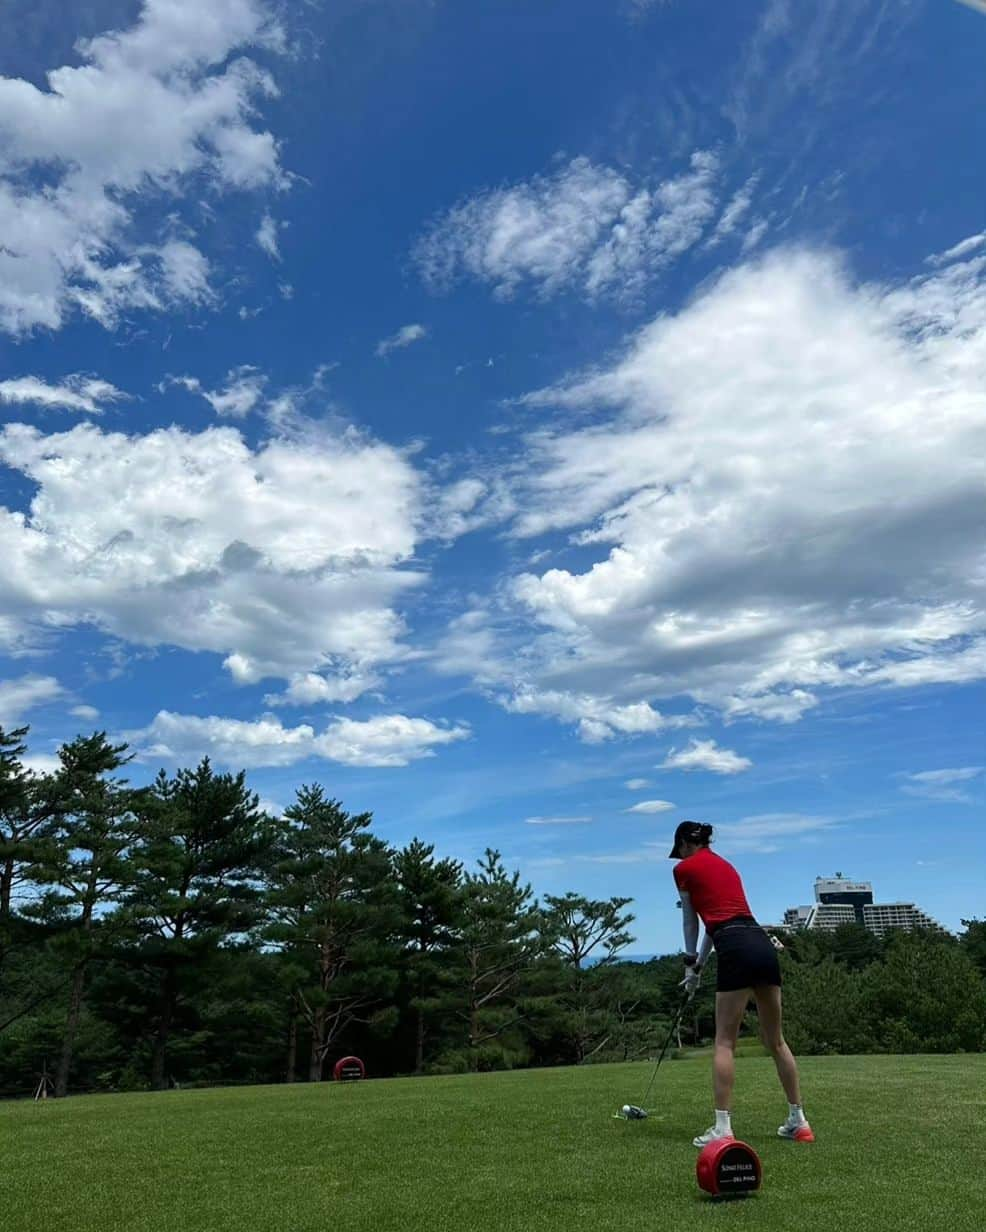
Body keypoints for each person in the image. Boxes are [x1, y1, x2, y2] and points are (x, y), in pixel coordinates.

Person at [669, 819, 814, 1147]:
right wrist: (700, 966)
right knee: (775, 1041)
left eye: (679, 851)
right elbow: (716, 923)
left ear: (684, 845)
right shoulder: (727, 867)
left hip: (734, 947)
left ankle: (722, 1128)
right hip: (760, 944)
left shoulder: (685, 869)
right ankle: (799, 1121)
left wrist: (689, 962)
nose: (679, 858)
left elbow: (690, 920)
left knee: (723, 1042)